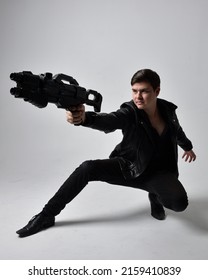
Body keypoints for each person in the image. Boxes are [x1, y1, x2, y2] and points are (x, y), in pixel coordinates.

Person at [16, 69, 196, 238]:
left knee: (179, 203)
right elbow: (110, 121)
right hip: (130, 167)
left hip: (159, 174)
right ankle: (46, 215)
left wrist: (187, 146)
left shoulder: (168, 111)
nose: (138, 97)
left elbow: (176, 131)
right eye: (134, 91)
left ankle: (155, 195)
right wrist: (84, 119)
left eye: (144, 91)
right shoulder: (130, 112)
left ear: (157, 91)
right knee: (88, 168)